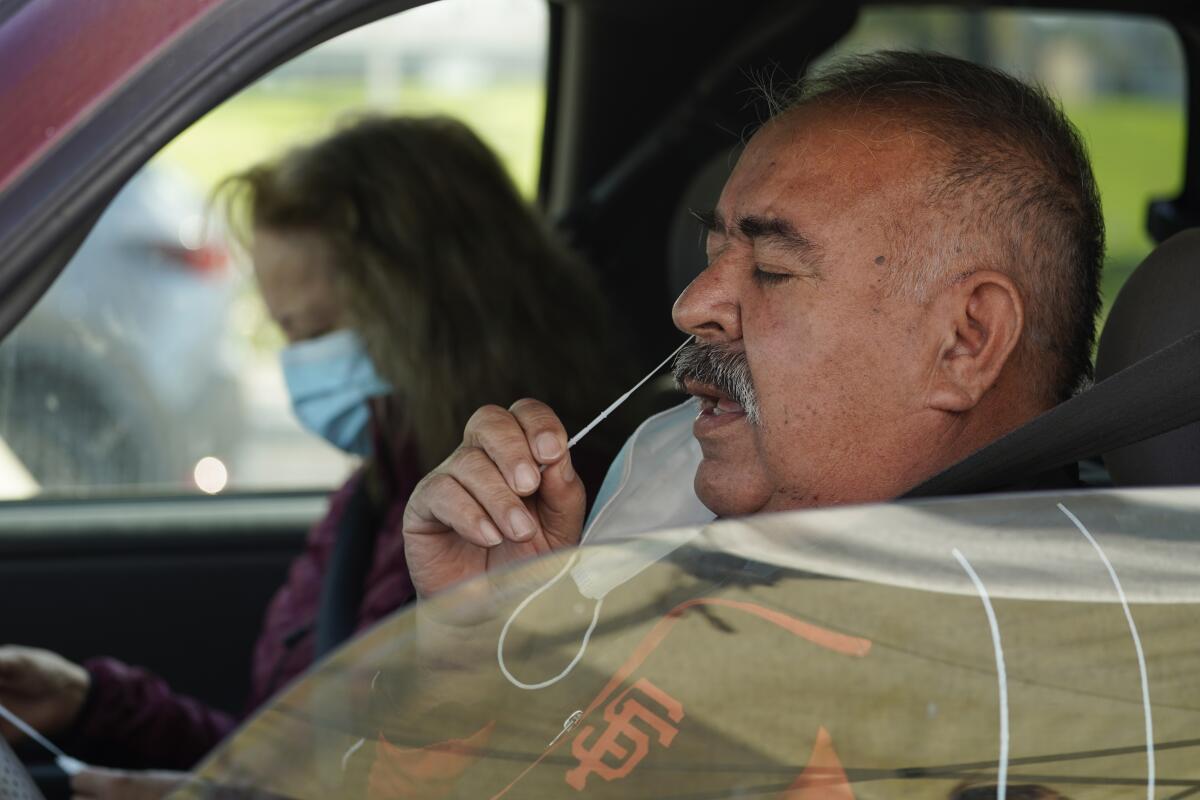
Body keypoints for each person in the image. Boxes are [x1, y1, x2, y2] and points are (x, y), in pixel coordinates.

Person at [0, 114, 627, 795]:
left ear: (431, 310)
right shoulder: (374, 498)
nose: (299, 367)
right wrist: (91, 702)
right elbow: (283, 753)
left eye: (317, 331)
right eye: (284, 333)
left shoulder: (546, 512)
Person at [400, 49, 1103, 598]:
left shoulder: (1051, 654)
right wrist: (496, 635)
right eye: (714, 256)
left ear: (965, 341)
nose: (690, 306)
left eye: (770, 267)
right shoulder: (668, 470)